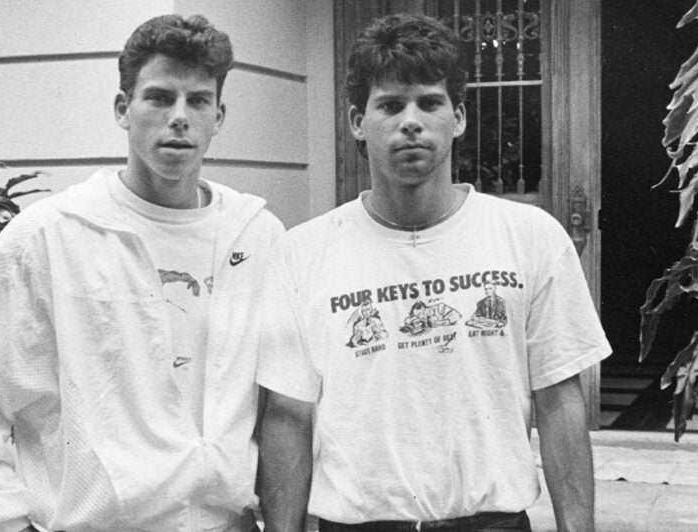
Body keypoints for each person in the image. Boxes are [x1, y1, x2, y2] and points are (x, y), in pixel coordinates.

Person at [0, 14, 284, 532]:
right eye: (159, 98)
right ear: (122, 108)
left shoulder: (255, 236)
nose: (179, 117)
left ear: (219, 116)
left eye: (198, 101)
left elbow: (284, 404)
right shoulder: (52, 235)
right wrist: (0, 524)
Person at [256, 13, 610, 532]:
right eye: (390, 105)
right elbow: (288, 416)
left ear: (458, 117)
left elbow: (559, 401)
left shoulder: (529, 237)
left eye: (429, 102)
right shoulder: (302, 253)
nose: (411, 122)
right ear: (357, 121)